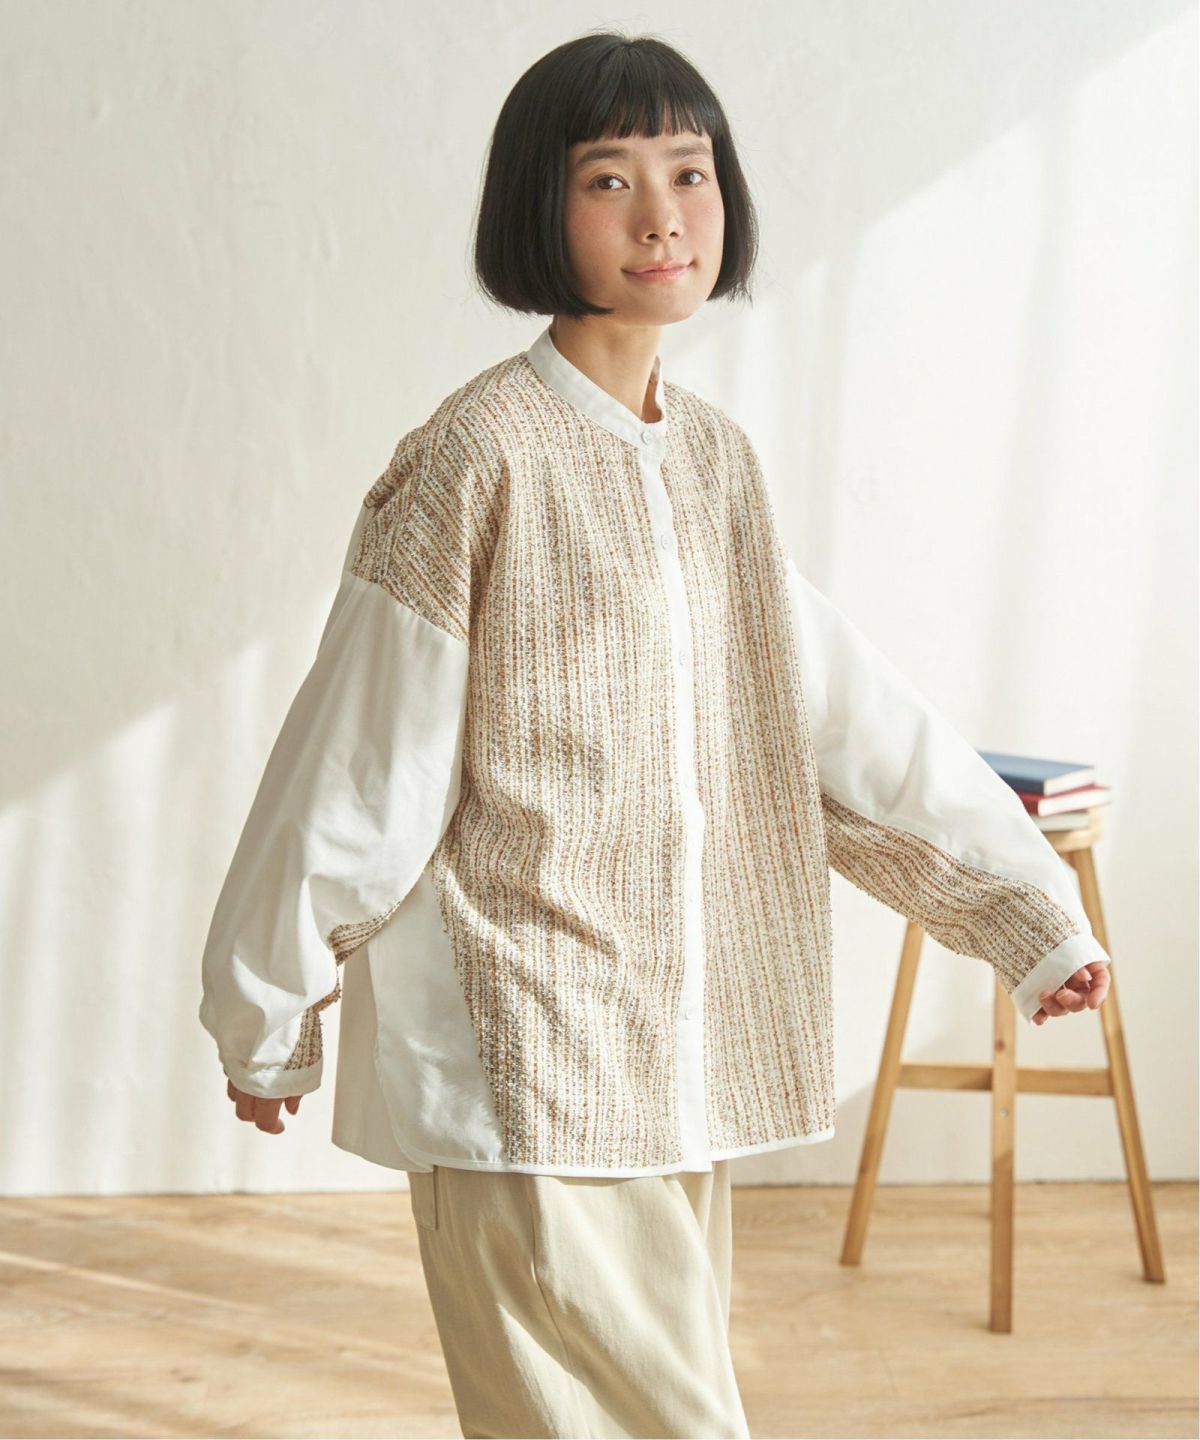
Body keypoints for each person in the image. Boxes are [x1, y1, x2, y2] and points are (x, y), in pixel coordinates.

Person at [198, 30, 1112, 1440]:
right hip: (526, 1043)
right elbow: (363, 762)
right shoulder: (477, 457)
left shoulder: (714, 462)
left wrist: (1020, 908)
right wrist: (267, 1005)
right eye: (608, 180)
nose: (662, 216)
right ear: (537, 208)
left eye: (689, 172)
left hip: (674, 1057)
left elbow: (833, 716)